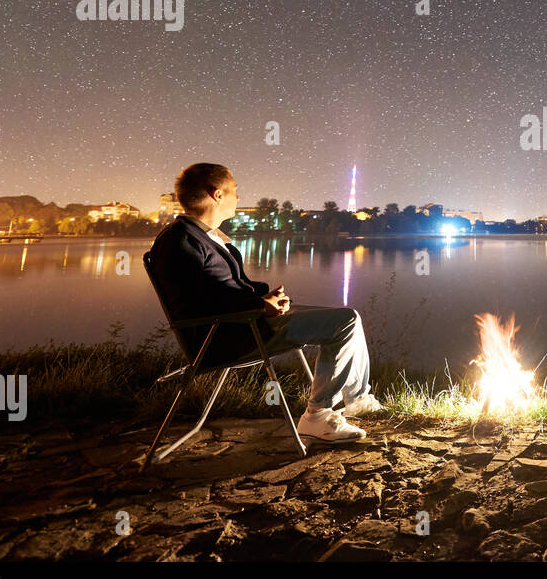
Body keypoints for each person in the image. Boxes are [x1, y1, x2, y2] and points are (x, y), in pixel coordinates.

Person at [149, 163, 382, 443]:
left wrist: (266, 299)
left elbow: (221, 290)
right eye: (235, 191)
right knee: (343, 322)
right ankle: (318, 416)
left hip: (245, 323)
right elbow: (200, 305)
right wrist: (260, 306)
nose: (239, 197)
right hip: (230, 337)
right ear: (217, 194)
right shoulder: (182, 242)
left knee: (347, 317)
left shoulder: (197, 236)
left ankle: (357, 399)